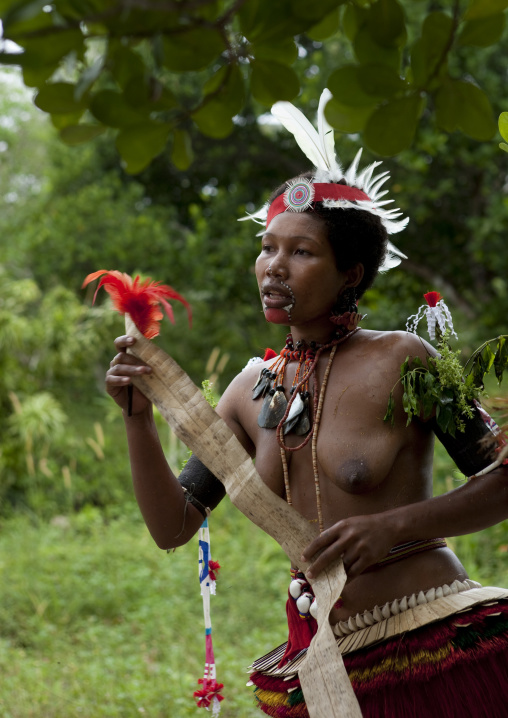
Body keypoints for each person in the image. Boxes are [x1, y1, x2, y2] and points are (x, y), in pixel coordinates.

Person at [105, 91, 508, 717]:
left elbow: (504, 481)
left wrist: (394, 526)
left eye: (301, 252)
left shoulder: (404, 359)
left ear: (351, 271)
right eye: (267, 248)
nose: (273, 268)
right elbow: (172, 527)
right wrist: (137, 419)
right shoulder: (246, 391)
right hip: (324, 659)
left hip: (437, 641)